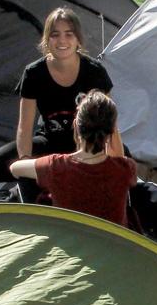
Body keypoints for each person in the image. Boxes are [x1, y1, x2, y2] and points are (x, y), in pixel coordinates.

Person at [0, 8, 114, 202]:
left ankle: (61, 178)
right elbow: (24, 128)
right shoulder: (34, 73)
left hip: (84, 144)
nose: (62, 41)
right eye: (55, 34)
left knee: (123, 158)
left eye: (69, 34)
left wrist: (105, 160)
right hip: (49, 142)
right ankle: (33, 185)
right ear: (46, 39)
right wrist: (26, 163)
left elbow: (109, 125)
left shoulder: (95, 72)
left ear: (78, 39)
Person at [9, 91, 143, 229]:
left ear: (76, 126)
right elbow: (117, 156)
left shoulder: (56, 165)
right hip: (113, 244)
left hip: (70, 242)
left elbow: (14, 168)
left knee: (29, 182)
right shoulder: (126, 168)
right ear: (111, 132)